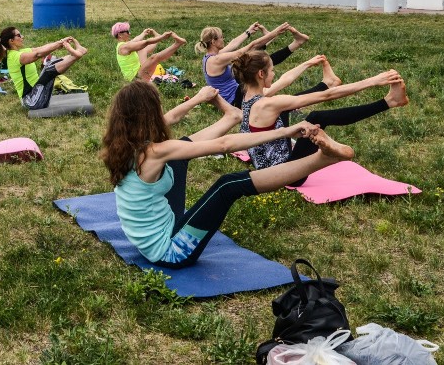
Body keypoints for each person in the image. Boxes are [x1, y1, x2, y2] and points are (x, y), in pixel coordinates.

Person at [100, 80, 354, 268]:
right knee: (227, 185)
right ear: (150, 113)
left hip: (158, 230)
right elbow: (224, 145)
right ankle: (323, 159)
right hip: (171, 252)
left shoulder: (121, 142)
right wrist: (285, 132)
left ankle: (231, 116)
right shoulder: (155, 151)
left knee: (181, 152)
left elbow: (174, 116)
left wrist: (200, 97)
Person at [233, 50, 409, 183]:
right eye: (272, 70)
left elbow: (285, 80)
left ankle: (328, 83)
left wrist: (307, 63)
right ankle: (389, 102)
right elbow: (327, 96)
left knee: (286, 108)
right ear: (261, 74)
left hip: (265, 168)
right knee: (318, 116)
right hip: (284, 176)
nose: (274, 73)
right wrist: (372, 81)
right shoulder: (267, 103)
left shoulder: (247, 94)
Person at [194, 22, 310, 105]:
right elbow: (247, 48)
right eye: (221, 37)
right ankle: (296, 100)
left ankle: (296, 43)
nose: (223, 39)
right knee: (255, 62)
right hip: (235, 100)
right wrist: (275, 32)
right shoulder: (216, 60)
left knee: (254, 60)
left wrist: (248, 32)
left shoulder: (212, 56)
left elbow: (233, 44)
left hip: (238, 90)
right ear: (214, 41)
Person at [0, 26, 87, 110]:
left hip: (37, 95)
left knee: (51, 62)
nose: (22, 37)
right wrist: (59, 45)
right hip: (30, 101)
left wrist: (60, 42)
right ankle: (76, 55)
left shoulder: (21, 52)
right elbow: (38, 54)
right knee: (48, 68)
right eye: (19, 35)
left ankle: (76, 54)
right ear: (11, 41)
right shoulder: (14, 57)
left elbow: (40, 48)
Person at [112, 22, 186, 81]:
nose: (130, 33)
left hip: (139, 71)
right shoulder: (124, 47)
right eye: (127, 32)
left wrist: (144, 33)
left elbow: (136, 39)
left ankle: (157, 38)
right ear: (120, 35)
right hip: (135, 78)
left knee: (142, 49)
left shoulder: (123, 45)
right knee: (154, 58)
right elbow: (145, 42)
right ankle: (177, 44)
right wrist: (162, 37)